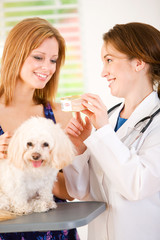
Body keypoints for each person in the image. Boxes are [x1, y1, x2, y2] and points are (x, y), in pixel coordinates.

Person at [64, 22, 160, 240]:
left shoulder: (155, 123)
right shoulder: (109, 117)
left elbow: (136, 185)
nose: (103, 72)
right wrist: (79, 150)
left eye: (109, 60)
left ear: (138, 62)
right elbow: (79, 191)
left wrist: (104, 131)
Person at [0, 17, 80, 240]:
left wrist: (38, 167)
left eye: (53, 60)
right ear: (15, 55)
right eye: (38, 57)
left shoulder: (58, 115)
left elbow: (68, 193)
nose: (47, 68)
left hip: (52, 232)